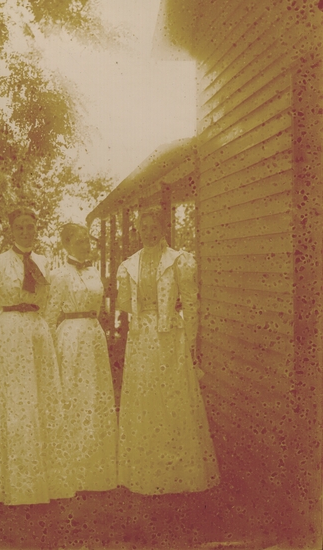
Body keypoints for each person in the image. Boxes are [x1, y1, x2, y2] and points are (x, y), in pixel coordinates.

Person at [0, 207, 74, 505]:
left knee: (39, 400)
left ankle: (40, 481)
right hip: (8, 335)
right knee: (11, 402)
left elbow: (48, 304)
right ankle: (5, 481)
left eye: (31, 227)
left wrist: (42, 331)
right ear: (11, 230)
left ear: (36, 229)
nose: (26, 232)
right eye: (21, 227)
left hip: (37, 334)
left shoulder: (44, 262)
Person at [116, 207, 220, 495]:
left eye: (153, 226)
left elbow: (191, 303)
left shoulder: (178, 261)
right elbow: (127, 306)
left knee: (173, 400)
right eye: (143, 227)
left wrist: (189, 343)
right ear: (138, 230)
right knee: (145, 398)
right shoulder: (129, 264)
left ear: (163, 228)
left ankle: (179, 473)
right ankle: (146, 471)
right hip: (140, 339)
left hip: (170, 337)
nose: (148, 231)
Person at [45, 223, 117, 493]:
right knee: (74, 397)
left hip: (94, 336)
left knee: (95, 397)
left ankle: (95, 470)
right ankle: (70, 469)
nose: (86, 246)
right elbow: (50, 317)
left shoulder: (94, 273)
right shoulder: (60, 275)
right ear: (66, 245)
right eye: (79, 242)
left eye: (87, 241)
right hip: (71, 338)